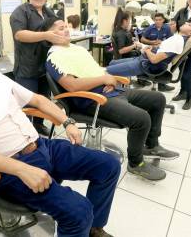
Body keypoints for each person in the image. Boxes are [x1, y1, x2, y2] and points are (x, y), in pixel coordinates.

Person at [0, 47, 120, 237]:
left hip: (43, 147)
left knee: (108, 166)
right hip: (11, 168)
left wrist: (67, 122)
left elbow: (38, 100)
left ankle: (94, 229)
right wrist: (22, 169)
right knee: (78, 212)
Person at [44, 17, 180, 181]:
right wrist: (102, 80)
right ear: (48, 34)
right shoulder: (54, 58)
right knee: (141, 118)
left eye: (66, 26)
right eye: (59, 28)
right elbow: (72, 86)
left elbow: (96, 70)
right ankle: (136, 164)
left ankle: (151, 145)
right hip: (92, 100)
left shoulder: (76, 49)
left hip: (110, 91)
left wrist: (108, 78)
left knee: (157, 99)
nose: (65, 30)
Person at [10, 0, 68, 136]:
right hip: (27, 67)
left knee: (44, 99)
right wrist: (46, 35)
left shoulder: (49, 12)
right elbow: (20, 35)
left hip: (45, 66)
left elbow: (58, 27)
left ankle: (39, 125)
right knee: (27, 103)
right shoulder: (20, 12)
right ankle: (25, 133)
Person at [107, 21, 191, 77]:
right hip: (143, 58)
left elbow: (154, 60)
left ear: (190, 33)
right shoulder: (176, 37)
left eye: (190, 25)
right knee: (111, 63)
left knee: (106, 71)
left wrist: (147, 50)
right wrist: (151, 47)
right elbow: (160, 49)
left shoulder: (178, 41)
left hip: (146, 65)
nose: (186, 23)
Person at [140, 13, 174, 91]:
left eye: (160, 20)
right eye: (156, 20)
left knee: (163, 61)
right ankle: (145, 79)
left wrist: (162, 43)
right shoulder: (150, 28)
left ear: (163, 20)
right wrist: (153, 42)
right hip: (150, 49)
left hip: (160, 48)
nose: (158, 21)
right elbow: (142, 39)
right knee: (157, 62)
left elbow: (171, 40)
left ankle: (161, 84)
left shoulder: (167, 28)